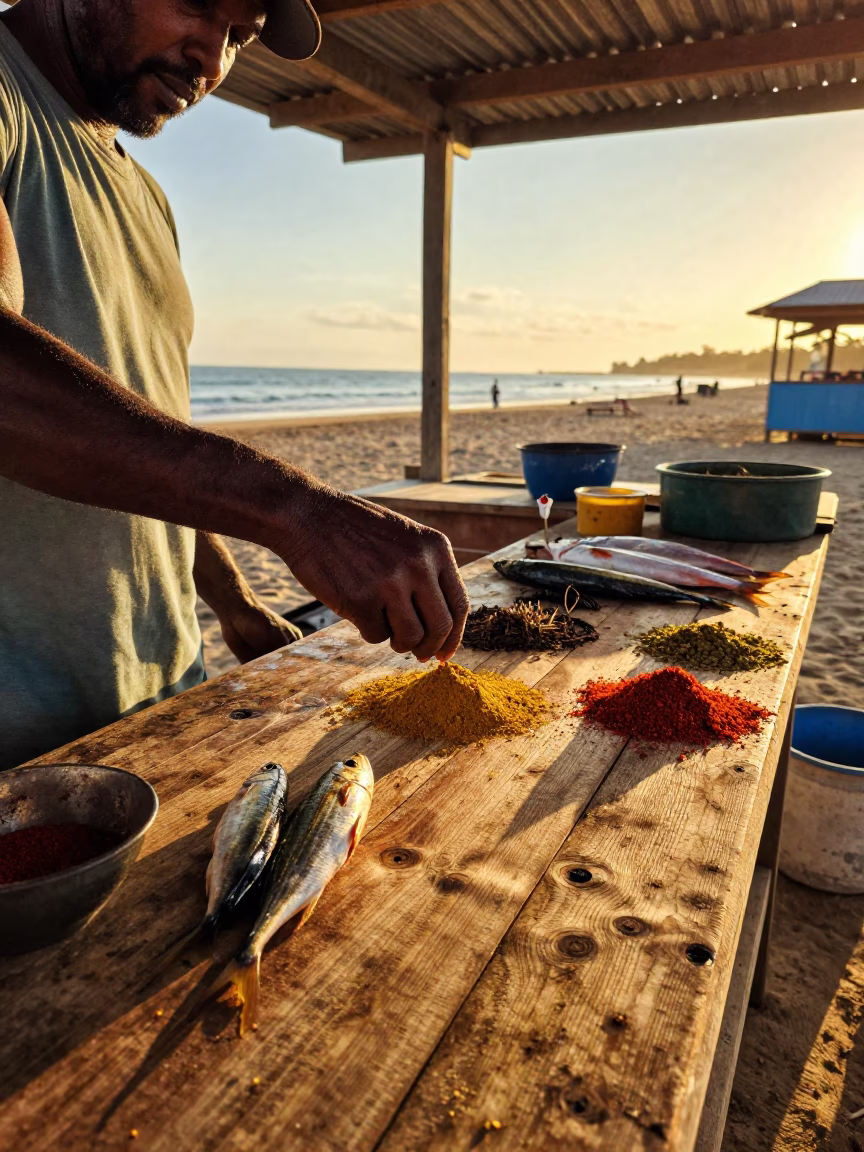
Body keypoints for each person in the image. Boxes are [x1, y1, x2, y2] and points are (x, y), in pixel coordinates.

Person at [0, 0, 469, 770]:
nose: (210, 60)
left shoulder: (145, 199)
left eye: (239, 35)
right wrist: (294, 512)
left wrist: (234, 603)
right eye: (196, 6)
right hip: (21, 757)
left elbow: (140, 430)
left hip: (160, 705)